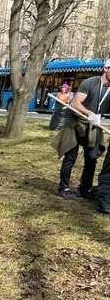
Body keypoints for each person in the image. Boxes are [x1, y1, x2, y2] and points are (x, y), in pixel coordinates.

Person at [51, 61, 110, 200]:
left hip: (94, 125)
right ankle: (64, 188)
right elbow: (76, 103)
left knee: (91, 158)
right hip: (76, 123)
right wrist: (90, 114)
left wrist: (95, 118)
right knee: (70, 157)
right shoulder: (90, 83)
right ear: (106, 69)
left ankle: (85, 189)